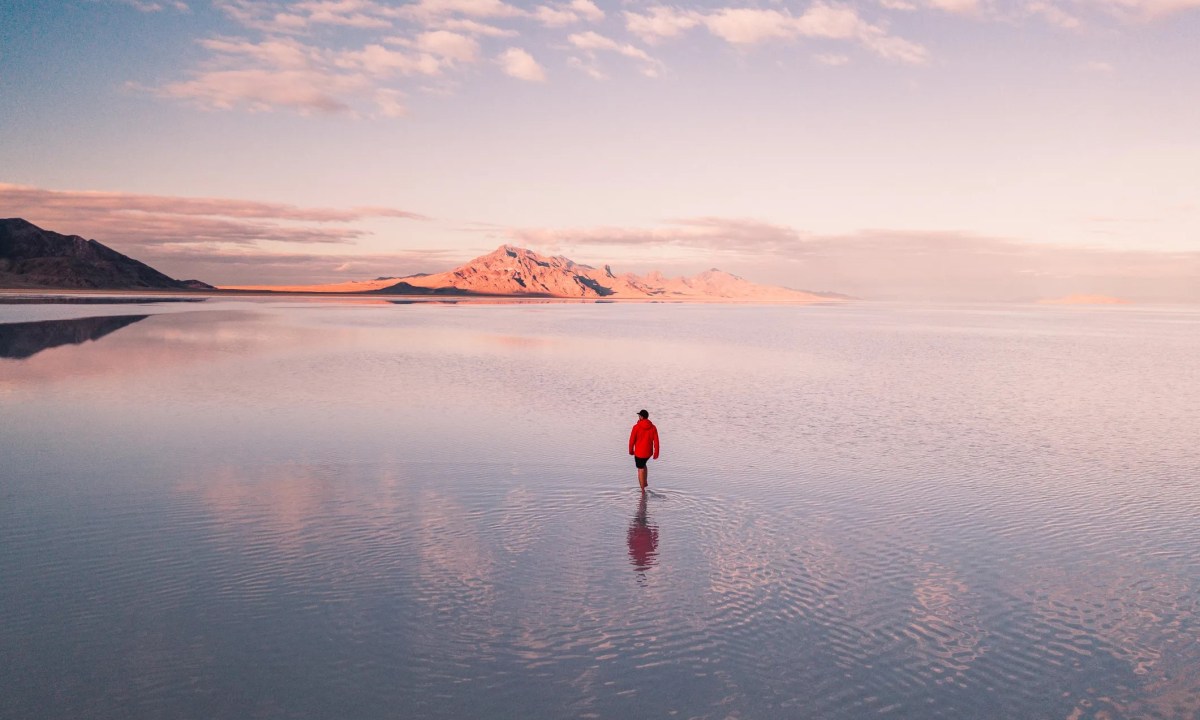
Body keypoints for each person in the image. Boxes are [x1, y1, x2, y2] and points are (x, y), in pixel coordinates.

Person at [628, 409, 660, 491]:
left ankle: (642, 490)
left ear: (641, 417)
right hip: (648, 453)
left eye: (639, 416)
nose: (638, 417)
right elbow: (656, 441)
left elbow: (632, 440)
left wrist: (631, 451)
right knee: (643, 464)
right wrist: (656, 453)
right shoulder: (653, 427)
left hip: (639, 453)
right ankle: (645, 482)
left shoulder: (636, 427)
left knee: (640, 469)